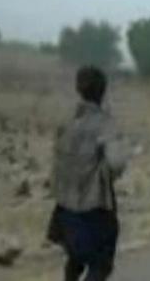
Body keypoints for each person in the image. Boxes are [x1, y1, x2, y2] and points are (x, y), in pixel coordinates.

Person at [47, 66, 127, 281]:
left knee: (75, 258)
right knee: (101, 264)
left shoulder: (67, 122)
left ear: (78, 89)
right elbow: (117, 163)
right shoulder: (105, 124)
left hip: (65, 209)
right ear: (103, 90)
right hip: (95, 210)